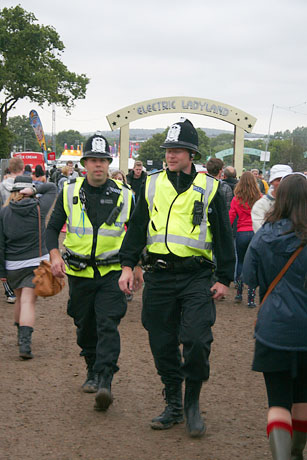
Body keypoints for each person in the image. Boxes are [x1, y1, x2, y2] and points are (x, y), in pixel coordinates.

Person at [118, 118, 235, 437]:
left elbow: (225, 236)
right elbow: (137, 227)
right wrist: (128, 265)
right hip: (158, 276)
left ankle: (192, 403)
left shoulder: (210, 188)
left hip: (196, 276)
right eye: (169, 149)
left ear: (191, 154)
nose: (171, 155)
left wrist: (225, 277)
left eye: (178, 150)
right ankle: (173, 400)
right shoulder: (151, 184)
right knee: (161, 341)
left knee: (197, 339)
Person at [46, 132, 135, 412]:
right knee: (85, 326)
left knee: (108, 324)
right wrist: (55, 255)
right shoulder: (69, 191)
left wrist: (134, 266)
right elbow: (51, 229)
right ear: (84, 163)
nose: (98, 165)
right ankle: (92, 369)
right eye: (93, 160)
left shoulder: (125, 195)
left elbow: (136, 234)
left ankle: (105, 381)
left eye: (103, 161)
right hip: (79, 273)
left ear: (109, 164)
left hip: (111, 274)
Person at [243, 173, 307, 460]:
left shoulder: (263, 236)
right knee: (303, 397)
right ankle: (296, 452)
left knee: (278, 401)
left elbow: (249, 278)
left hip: (273, 328)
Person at [0, 176, 56, 359]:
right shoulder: (39, 208)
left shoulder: (4, 212)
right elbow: (52, 188)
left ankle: (19, 337)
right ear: (28, 191)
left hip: (12, 265)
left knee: (19, 300)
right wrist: (35, 189)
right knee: (28, 302)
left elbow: (1, 244)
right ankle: (25, 345)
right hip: (35, 262)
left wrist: (2, 272)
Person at [229, 171, 262, 307]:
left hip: (241, 232)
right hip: (255, 232)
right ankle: (251, 298)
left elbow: (231, 216)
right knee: (253, 264)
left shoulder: (237, 198)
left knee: (241, 262)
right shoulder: (259, 198)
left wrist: (227, 232)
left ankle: (238, 293)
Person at [0, 157, 25, 304]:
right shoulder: (26, 184)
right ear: (22, 168)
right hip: (22, 221)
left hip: (5, 219)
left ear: (9, 168)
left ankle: (9, 290)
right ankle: (22, 284)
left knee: (4, 252)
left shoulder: (2, 185)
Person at [251, 164, 292, 233]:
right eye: (278, 180)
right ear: (271, 182)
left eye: (285, 180)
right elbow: (260, 231)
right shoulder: (261, 205)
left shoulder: (299, 202)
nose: (282, 183)